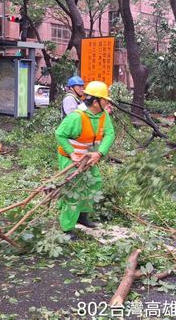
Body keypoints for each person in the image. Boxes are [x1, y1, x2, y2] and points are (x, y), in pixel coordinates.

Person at [55, 81, 115, 238]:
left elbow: (110, 134)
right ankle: (67, 228)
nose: (107, 102)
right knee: (72, 189)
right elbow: (59, 134)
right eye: (105, 100)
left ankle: (82, 216)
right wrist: (72, 153)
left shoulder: (103, 115)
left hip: (89, 157)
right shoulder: (76, 116)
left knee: (94, 182)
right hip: (71, 158)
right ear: (96, 101)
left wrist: (99, 153)